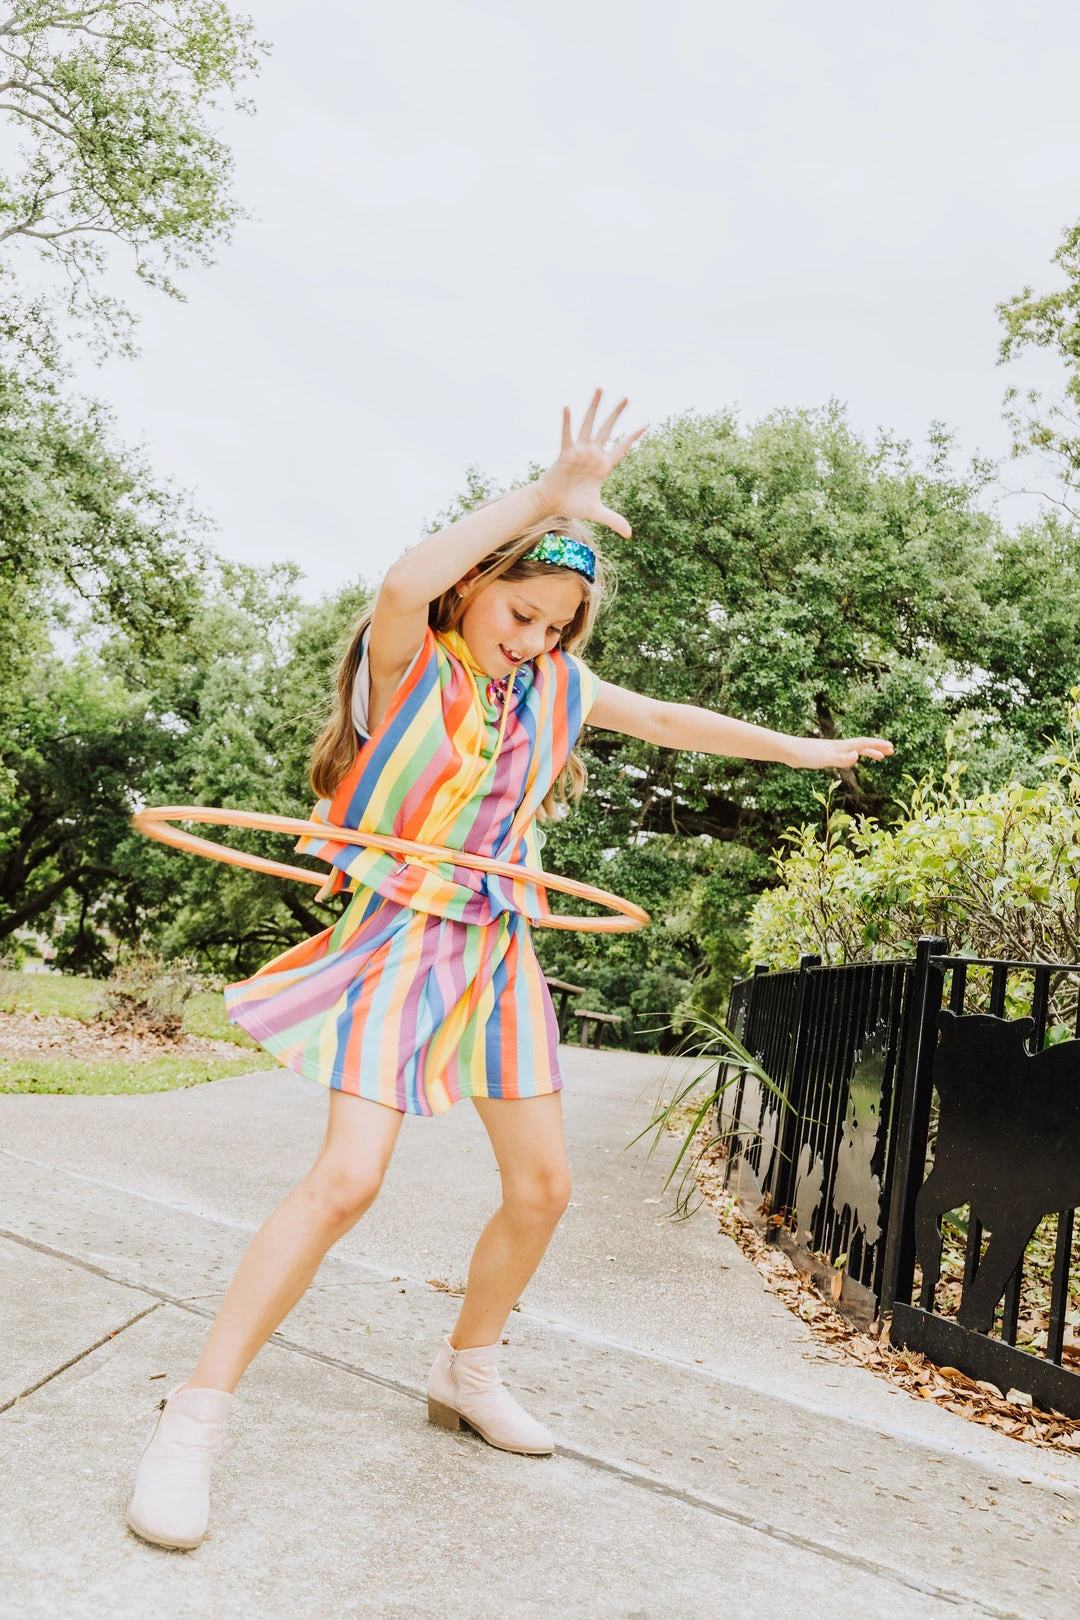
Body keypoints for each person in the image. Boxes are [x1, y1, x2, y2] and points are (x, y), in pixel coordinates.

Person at [126, 391, 893, 1550]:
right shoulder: (409, 666)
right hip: (397, 936)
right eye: (520, 612)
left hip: (497, 948)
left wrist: (802, 749)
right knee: (347, 1182)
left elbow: (668, 721)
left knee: (543, 1189)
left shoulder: (552, 691)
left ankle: (467, 1369)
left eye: (555, 629)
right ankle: (196, 1415)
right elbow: (400, 581)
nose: (533, 640)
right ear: (473, 586)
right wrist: (546, 495)